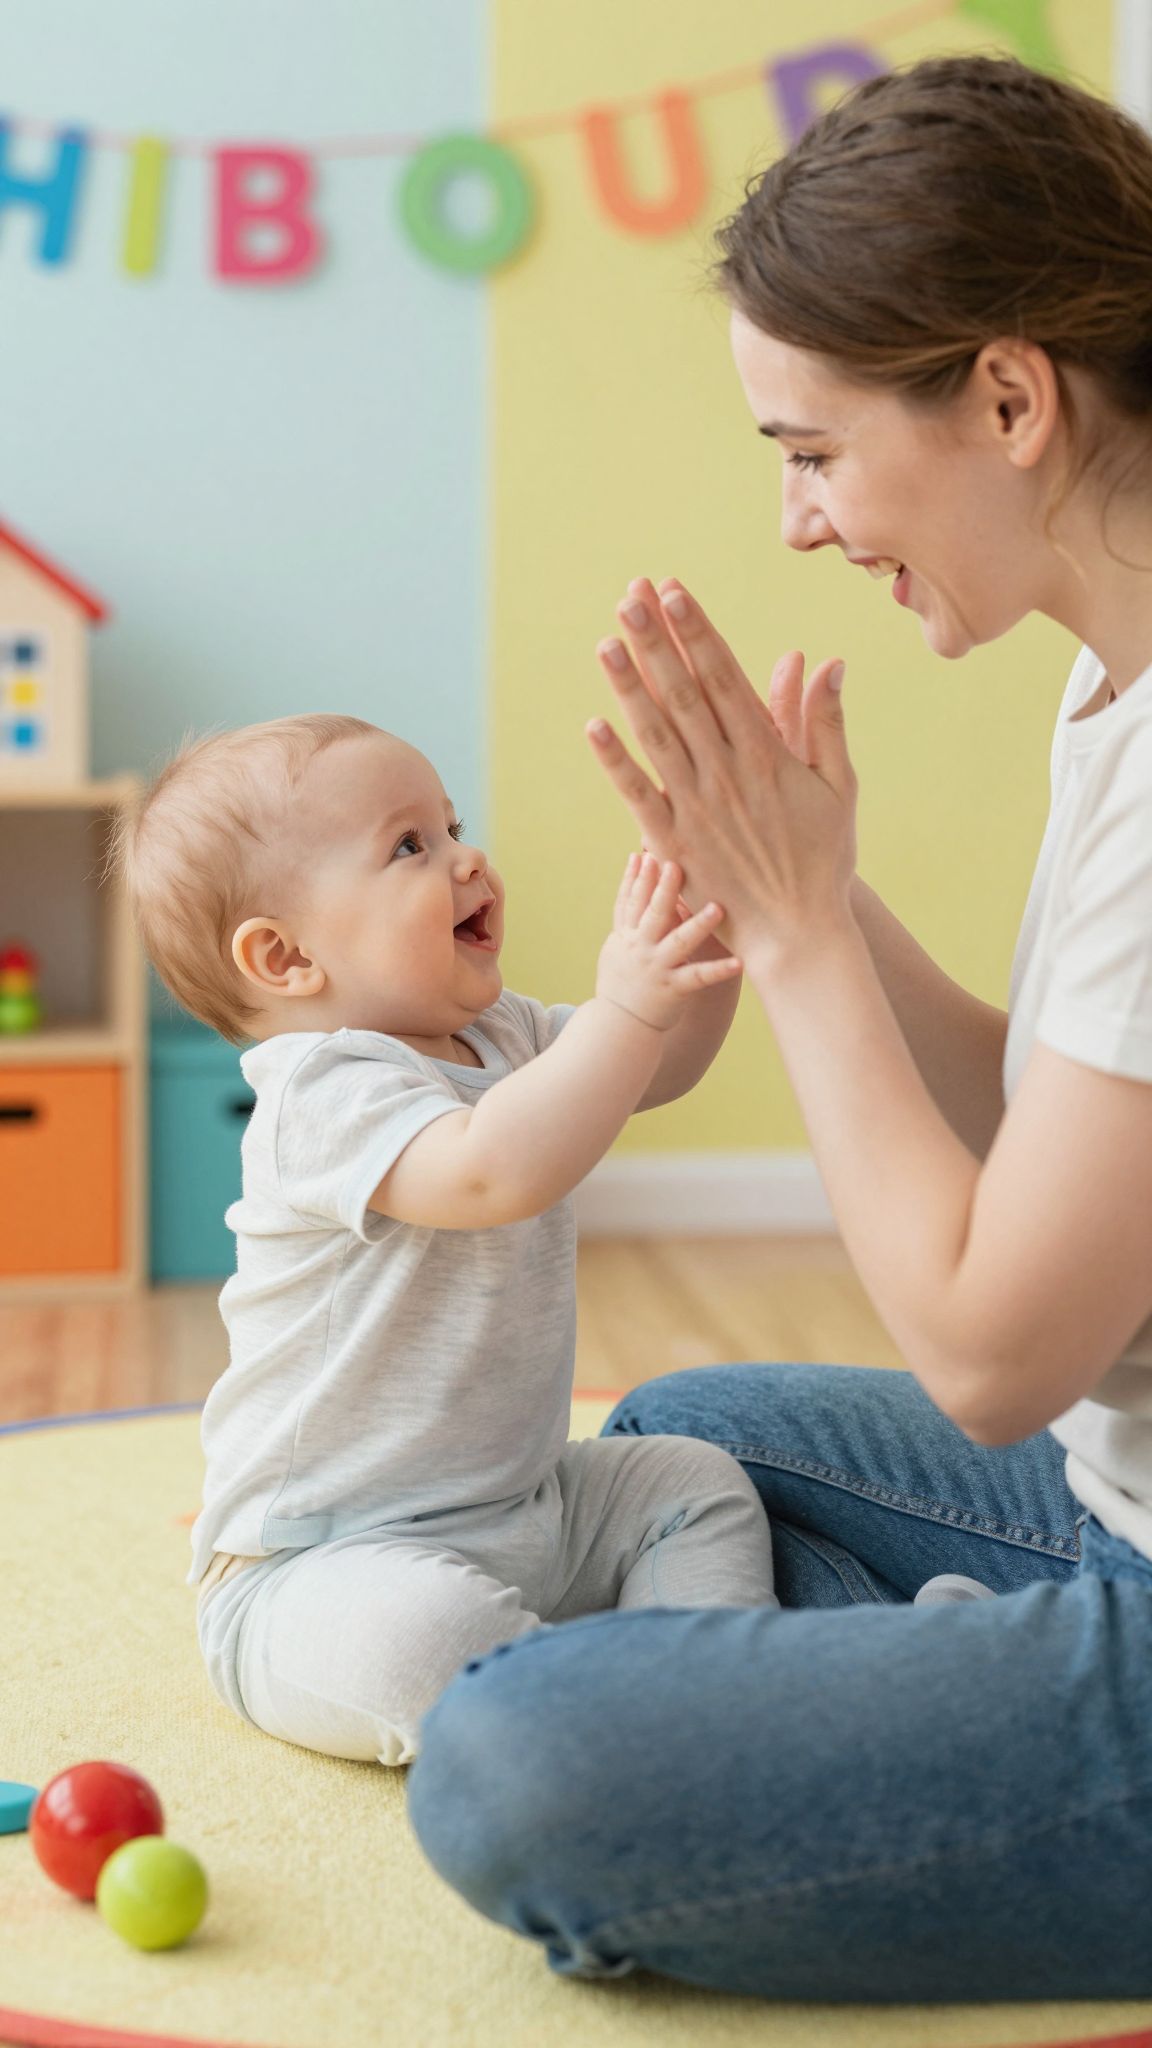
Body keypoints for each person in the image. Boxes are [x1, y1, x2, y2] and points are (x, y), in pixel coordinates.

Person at [405, 52, 1152, 2000]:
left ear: (1007, 395)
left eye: (812, 451)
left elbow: (994, 1349)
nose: (806, 522)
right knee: (685, 1448)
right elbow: (1048, 1123)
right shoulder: (1114, 685)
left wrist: (809, 939)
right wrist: (798, 872)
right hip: (1110, 1499)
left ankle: (937, 1761)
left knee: (513, 1760)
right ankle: (930, 1742)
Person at [115, 713, 789, 1767]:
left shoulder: (506, 1031)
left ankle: (700, 1685)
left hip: (526, 1505)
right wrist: (623, 1003)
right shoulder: (319, 1089)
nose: (466, 856)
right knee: (419, 1637)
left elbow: (650, 1067)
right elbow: (489, 1168)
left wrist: (701, 940)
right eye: (408, 845)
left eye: (451, 824)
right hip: (322, 1564)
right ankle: (652, 1728)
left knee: (690, 1483)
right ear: (285, 956)